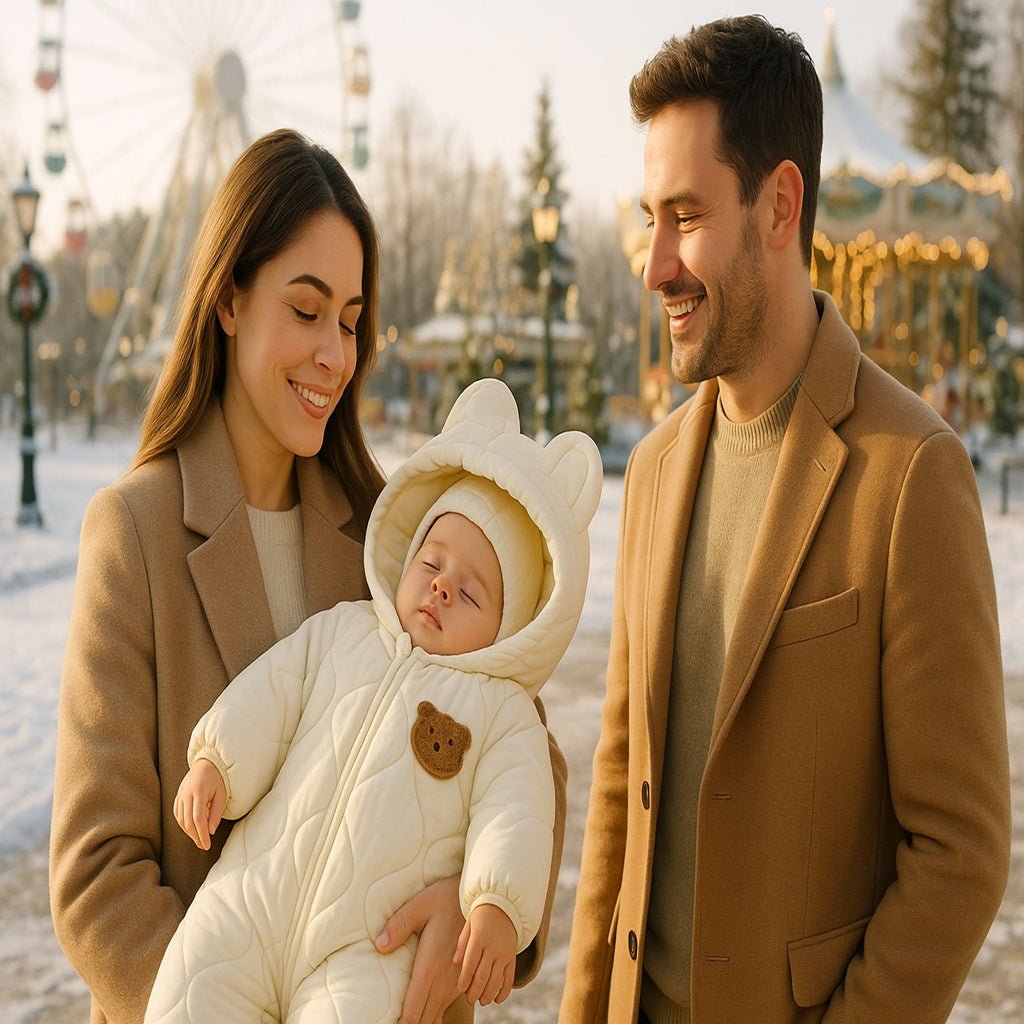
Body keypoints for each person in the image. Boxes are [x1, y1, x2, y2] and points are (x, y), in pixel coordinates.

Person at [50, 129, 567, 1024]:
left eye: (351, 321)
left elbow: (526, 751)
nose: (336, 353)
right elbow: (97, 875)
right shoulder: (133, 533)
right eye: (306, 309)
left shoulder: (391, 537)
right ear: (229, 301)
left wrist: (476, 909)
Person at [560, 16, 1010, 1024]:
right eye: (651, 217)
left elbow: (961, 852)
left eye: (685, 215)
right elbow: (621, 790)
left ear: (779, 205)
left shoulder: (912, 475)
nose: (654, 265)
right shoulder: (655, 472)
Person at [144, 377, 602, 1023]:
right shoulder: (343, 630)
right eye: (432, 564)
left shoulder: (503, 717)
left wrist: (496, 904)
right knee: (191, 986)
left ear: (508, 630)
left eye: (471, 592)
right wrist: (217, 761)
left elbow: (517, 815)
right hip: (252, 895)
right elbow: (271, 696)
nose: (441, 588)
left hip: (370, 950)